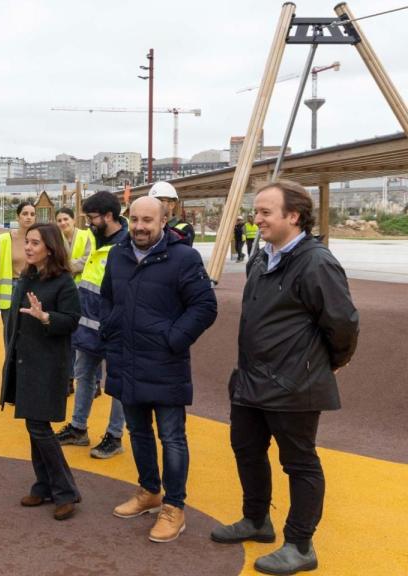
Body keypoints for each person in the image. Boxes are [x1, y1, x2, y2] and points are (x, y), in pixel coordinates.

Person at [211, 180, 358, 575]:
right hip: (251, 379)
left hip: (294, 383)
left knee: (300, 464)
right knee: (246, 449)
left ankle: (299, 544)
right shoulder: (262, 258)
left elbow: (342, 323)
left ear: (293, 216)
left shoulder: (316, 262)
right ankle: (257, 520)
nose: (255, 219)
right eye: (255, 211)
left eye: (264, 212)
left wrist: (333, 361)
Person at [101, 196, 218, 543]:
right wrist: (111, 325)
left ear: (164, 221)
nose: (139, 226)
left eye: (147, 220)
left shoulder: (183, 257)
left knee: (172, 437)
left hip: (165, 361)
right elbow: (108, 296)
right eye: (134, 219)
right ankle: (149, 491)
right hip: (126, 358)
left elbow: (205, 306)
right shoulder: (118, 255)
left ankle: (174, 507)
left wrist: (173, 339)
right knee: (137, 432)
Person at [0, 223, 82, 521]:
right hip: (24, 362)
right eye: (28, 242)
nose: (29, 247)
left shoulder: (63, 282)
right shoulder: (27, 276)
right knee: (34, 426)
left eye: (35, 243)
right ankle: (45, 484)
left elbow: (72, 320)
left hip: (47, 366)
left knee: (39, 427)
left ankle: (65, 491)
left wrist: (46, 316)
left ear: (50, 247)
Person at [55, 192, 128, 459]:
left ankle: (114, 435)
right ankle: (78, 428)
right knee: (84, 374)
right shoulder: (95, 240)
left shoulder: (127, 246)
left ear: (108, 216)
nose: (89, 224)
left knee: (117, 383)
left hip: (115, 328)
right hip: (88, 324)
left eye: (92, 218)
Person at [55, 206, 92, 396]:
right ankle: (68, 379)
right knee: (68, 339)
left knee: (88, 335)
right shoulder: (56, 239)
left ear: (73, 220)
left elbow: (89, 259)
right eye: (59, 220)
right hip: (66, 293)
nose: (62, 223)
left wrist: (69, 266)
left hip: (86, 291)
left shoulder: (86, 236)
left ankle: (93, 381)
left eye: (65, 219)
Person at [0, 202, 37, 345]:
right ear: (18, 217)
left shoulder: (41, 239)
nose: (28, 217)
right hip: (10, 289)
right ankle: (10, 366)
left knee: (32, 331)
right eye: (25, 214)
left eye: (32, 214)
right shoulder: (6, 239)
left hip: (33, 288)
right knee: (10, 332)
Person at [148, 181, 194, 246]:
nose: (154, 204)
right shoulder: (148, 225)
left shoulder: (185, 228)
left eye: (159, 200)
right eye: (152, 201)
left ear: (171, 205)